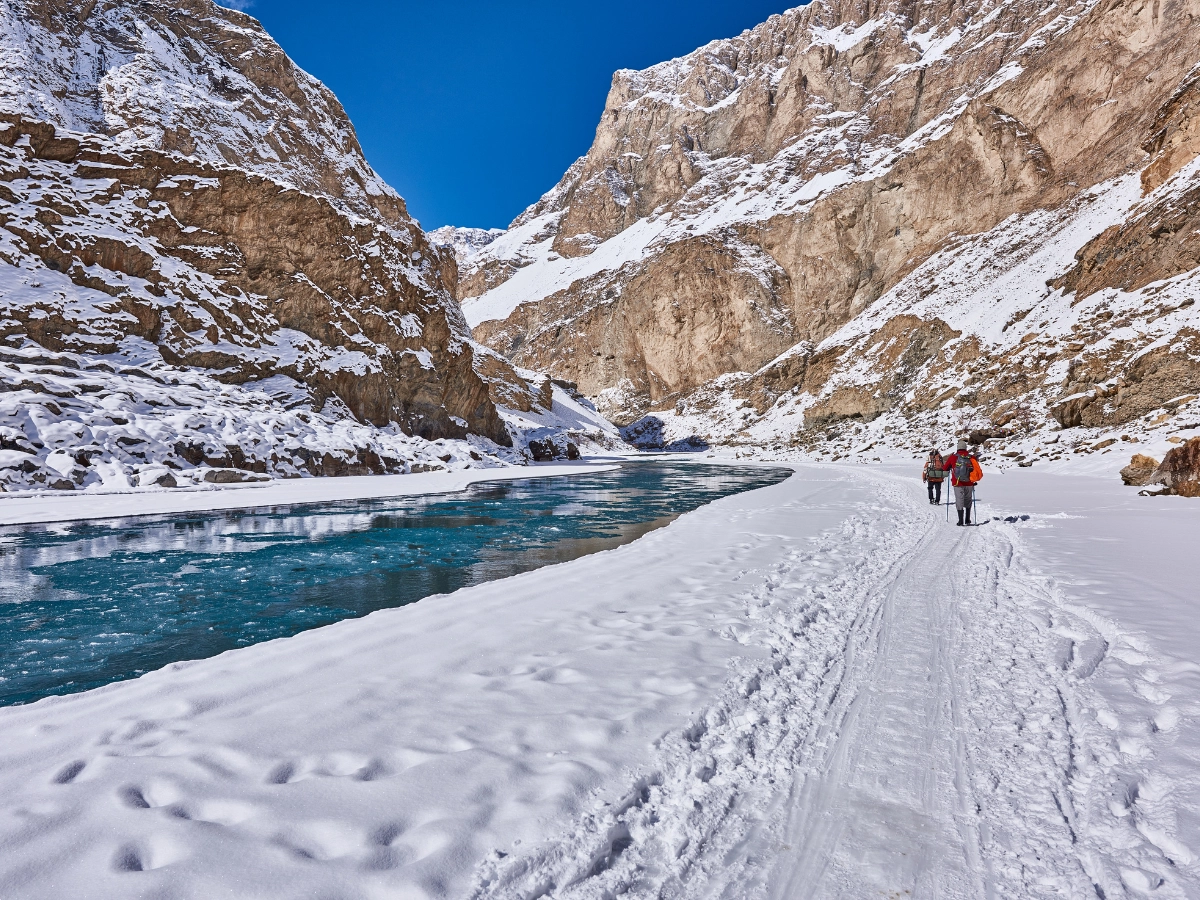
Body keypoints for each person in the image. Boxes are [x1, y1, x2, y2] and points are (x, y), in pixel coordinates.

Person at [944, 439, 983, 526]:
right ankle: (968, 519)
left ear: (958, 448)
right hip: (969, 482)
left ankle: (960, 521)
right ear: (965, 448)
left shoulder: (953, 457)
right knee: (968, 500)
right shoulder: (971, 457)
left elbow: (945, 468)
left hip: (957, 483)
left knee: (959, 500)